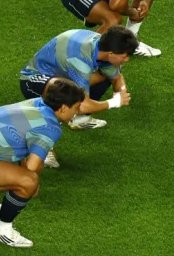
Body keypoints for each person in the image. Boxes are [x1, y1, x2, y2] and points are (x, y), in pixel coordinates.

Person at [0, 79, 84, 248]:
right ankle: (2, 229)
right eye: (76, 107)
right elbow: (32, 169)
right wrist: (30, 184)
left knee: (8, 155)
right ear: (63, 108)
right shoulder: (50, 127)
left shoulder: (37, 103)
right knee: (28, 182)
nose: (78, 111)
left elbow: (14, 142)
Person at [19, 27, 137, 161]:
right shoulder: (80, 57)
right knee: (61, 91)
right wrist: (114, 102)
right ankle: (40, 144)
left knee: (104, 76)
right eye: (125, 55)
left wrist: (121, 92)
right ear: (111, 53)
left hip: (65, 75)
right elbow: (83, 105)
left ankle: (79, 119)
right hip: (33, 79)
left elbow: (116, 77)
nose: (126, 59)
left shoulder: (102, 47)